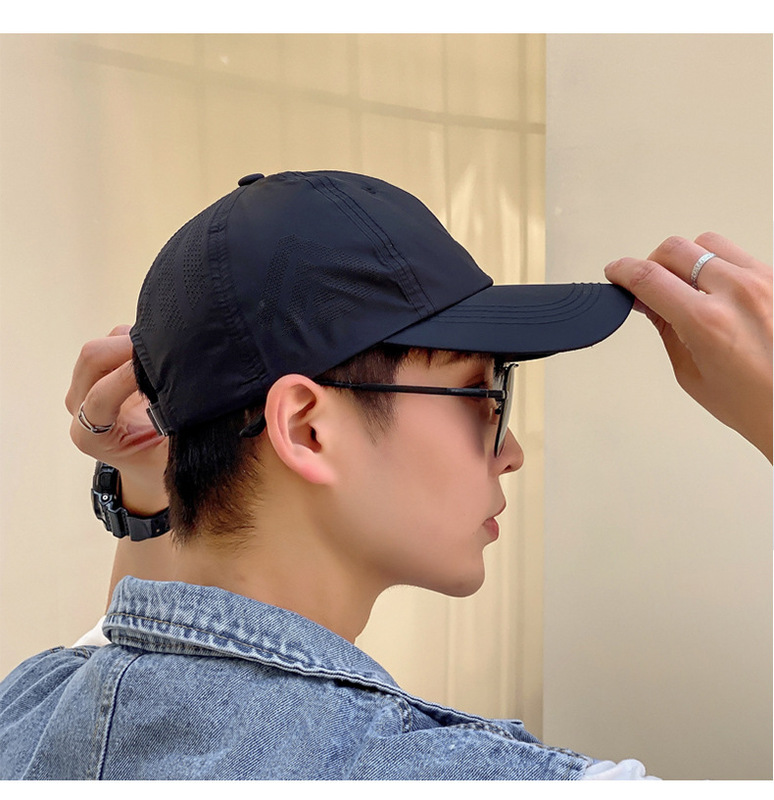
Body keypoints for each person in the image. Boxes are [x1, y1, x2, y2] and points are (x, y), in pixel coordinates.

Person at [0, 172, 770, 780]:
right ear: (307, 428)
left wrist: (150, 490)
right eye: (484, 394)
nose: (510, 451)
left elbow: (144, 655)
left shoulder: (30, 709)